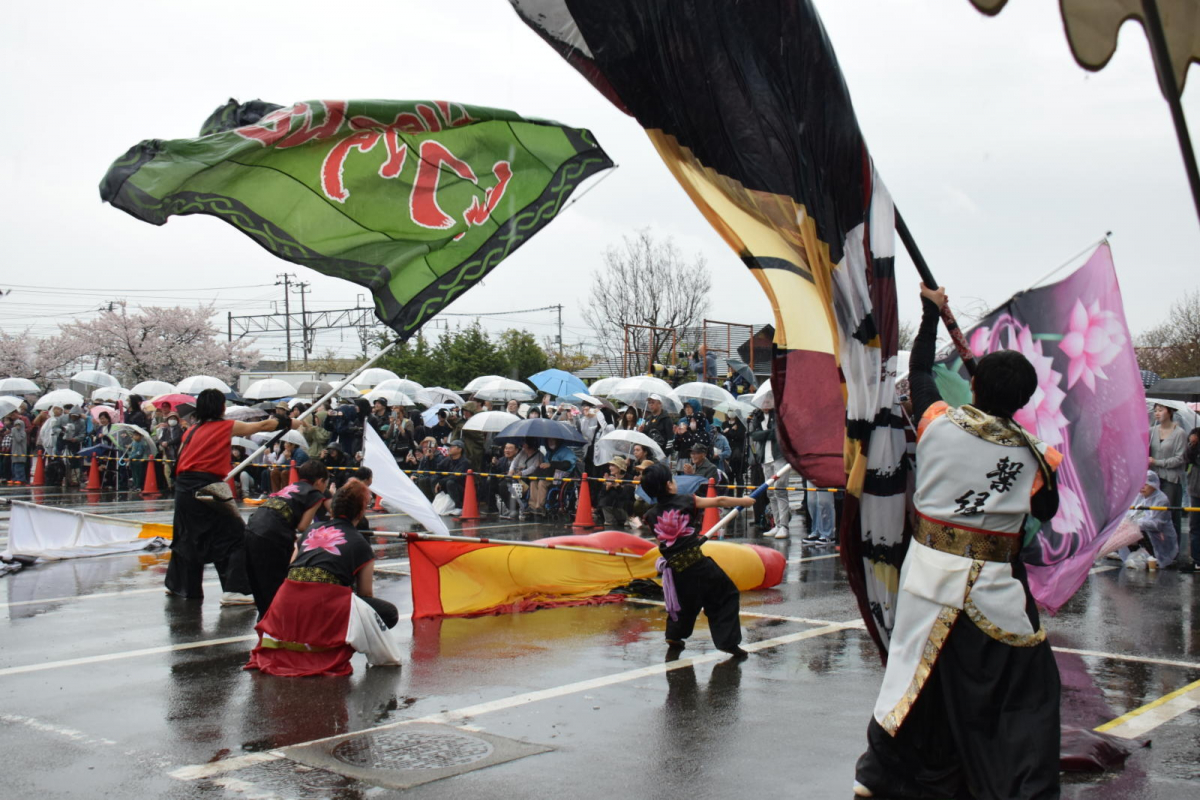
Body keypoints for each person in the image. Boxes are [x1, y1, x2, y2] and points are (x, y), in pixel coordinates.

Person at [853, 285, 1063, 800]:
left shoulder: (937, 423)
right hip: (992, 591)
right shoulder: (1038, 458)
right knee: (1026, 691)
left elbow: (920, 372)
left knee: (914, 676)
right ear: (1024, 399)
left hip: (925, 579)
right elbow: (1044, 512)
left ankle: (880, 777)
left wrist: (929, 315)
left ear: (974, 387)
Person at [245, 479, 401, 676]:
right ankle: (331, 643)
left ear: (332, 508)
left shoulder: (310, 531)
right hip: (323, 607)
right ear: (361, 513)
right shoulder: (361, 544)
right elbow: (365, 595)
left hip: (285, 603)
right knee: (387, 612)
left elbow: (291, 566)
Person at [165, 388, 290, 605]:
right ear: (221, 407)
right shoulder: (225, 426)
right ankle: (236, 590)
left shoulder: (191, 430)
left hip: (183, 489)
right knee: (236, 536)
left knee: (187, 537)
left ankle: (179, 585)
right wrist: (283, 421)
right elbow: (262, 426)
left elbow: (181, 457)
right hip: (209, 487)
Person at [639, 463, 755, 656]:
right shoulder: (686, 501)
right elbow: (720, 500)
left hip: (676, 570)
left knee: (684, 604)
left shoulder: (649, 516)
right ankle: (727, 641)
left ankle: (674, 635)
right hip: (698, 565)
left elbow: (669, 542)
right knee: (726, 594)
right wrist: (744, 501)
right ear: (669, 485)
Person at [244, 460, 330, 618]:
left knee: (259, 581)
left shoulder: (291, 487)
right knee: (277, 583)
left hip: (252, 527)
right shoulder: (315, 495)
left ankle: (264, 619)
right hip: (272, 535)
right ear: (320, 481)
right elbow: (303, 526)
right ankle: (276, 623)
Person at [1117, 470, 1178, 569]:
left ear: (1154, 485)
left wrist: (1136, 523)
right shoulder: (1138, 496)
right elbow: (1129, 513)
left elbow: (1157, 524)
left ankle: (1152, 557)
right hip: (1140, 529)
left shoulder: (1161, 499)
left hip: (1158, 535)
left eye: (1146, 484)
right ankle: (1136, 554)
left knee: (1137, 530)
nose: (1142, 487)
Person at [1149, 403, 1187, 545]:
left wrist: (1157, 462)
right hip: (1153, 479)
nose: (1157, 413)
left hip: (1171, 478)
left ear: (1169, 412)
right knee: (1152, 514)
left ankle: (1172, 548)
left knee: (1169, 513)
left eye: (1160, 410)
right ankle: (1154, 548)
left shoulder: (1179, 433)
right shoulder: (1151, 431)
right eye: (1155, 411)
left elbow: (1180, 458)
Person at [751, 409, 791, 539]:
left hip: (779, 456)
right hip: (765, 458)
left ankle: (784, 526)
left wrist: (763, 434)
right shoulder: (758, 416)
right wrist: (766, 434)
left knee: (780, 491)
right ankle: (777, 524)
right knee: (770, 493)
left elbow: (777, 434)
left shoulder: (779, 414)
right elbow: (754, 435)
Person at [596, 455, 636, 528]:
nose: (610, 468)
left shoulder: (629, 478)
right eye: (610, 465)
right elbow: (599, 497)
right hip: (613, 509)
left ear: (620, 467)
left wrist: (617, 486)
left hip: (625, 510)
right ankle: (609, 520)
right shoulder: (610, 478)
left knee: (623, 500)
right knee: (606, 497)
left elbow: (626, 496)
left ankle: (627, 520)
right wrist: (607, 487)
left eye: (613, 465)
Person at [435, 439, 471, 514]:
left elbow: (456, 477)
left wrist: (441, 482)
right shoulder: (448, 459)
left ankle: (459, 506)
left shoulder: (465, 462)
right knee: (433, 479)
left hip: (461, 488)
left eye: (452, 447)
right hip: (447, 484)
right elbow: (438, 470)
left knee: (450, 482)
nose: (450, 448)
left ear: (460, 449)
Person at [1183, 428, 1200, 573]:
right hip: (1196, 490)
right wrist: (1192, 444)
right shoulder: (1196, 433)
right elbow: (1187, 459)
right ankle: (1197, 560)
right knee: (1195, 526)